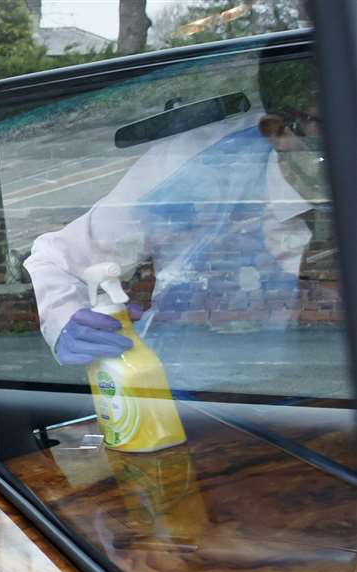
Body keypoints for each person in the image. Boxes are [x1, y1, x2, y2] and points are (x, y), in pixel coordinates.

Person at [26, 54, 338, 371]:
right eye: (334, 122)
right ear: (279, 131)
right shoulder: (193, 169)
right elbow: (58, 259)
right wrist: (65, 317)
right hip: (187, 400)